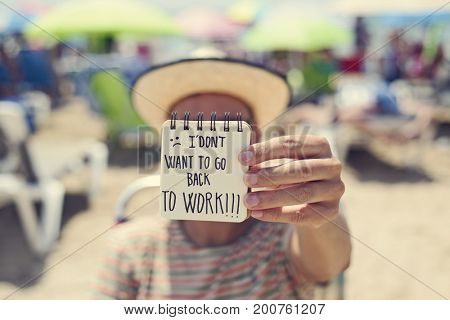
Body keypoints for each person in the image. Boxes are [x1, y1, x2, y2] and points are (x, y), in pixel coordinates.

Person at [94, 58, 351, 299]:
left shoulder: (281, 232)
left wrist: (320, 216)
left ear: (255, 138)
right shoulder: (132, 247)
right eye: (187, 125)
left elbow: (328, 265)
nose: (207, 141)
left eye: (227, 126)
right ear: (166, 143)